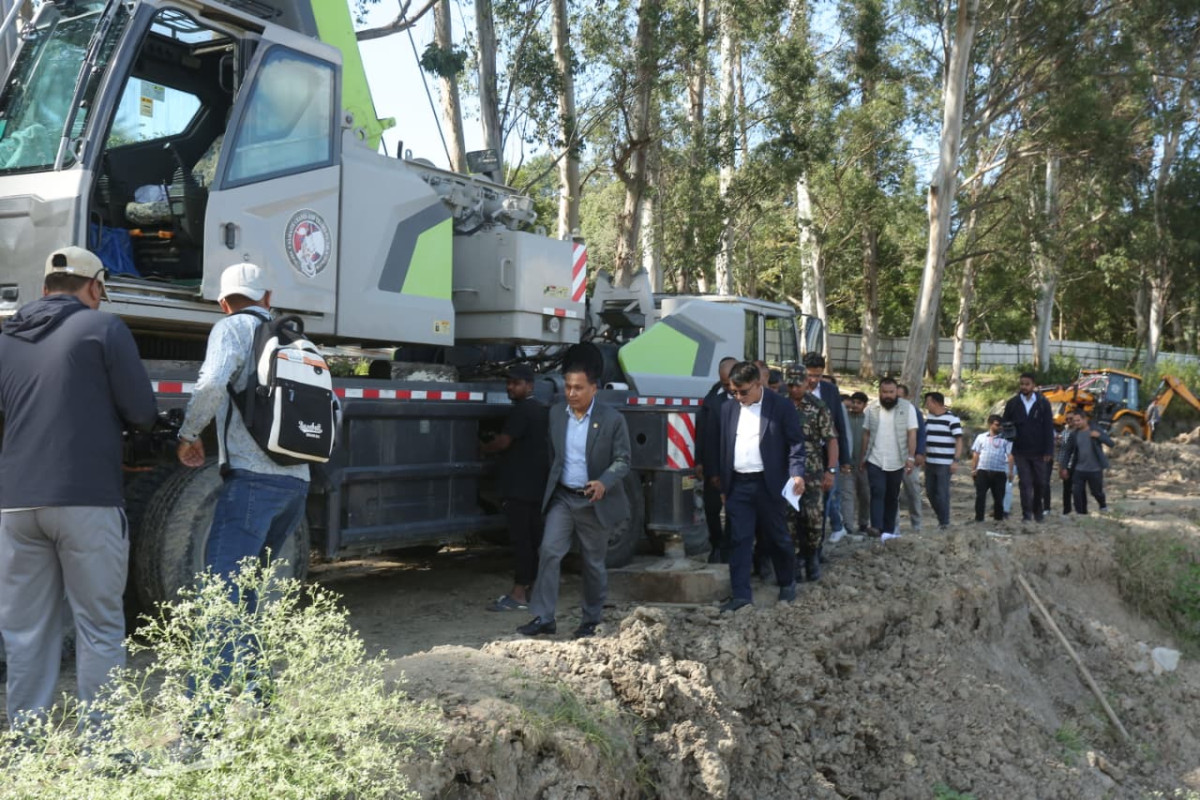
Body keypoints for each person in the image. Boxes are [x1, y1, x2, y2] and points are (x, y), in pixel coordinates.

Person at [0, 246, 157, 728]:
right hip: (86, 500)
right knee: (100, 627)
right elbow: (142, 413)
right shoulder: (104, 328)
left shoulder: (4, 339)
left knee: (26, 631)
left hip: (15, 505)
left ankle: (28, 744)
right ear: (94, 287)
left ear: (45, 289)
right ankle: (103, 747)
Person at [175, 263, 312, 694]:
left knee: (222, 594)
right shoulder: (297, 338)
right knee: (250, 593)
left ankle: (205, 713)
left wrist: (188, 433)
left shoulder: (231, 328)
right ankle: (258, 694)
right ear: (267, 297)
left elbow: (214, 382)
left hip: (252, 479)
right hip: (297, 482)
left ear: (222, 301)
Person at [517, 364, 631, 639]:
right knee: (549, 551)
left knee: (592, 562)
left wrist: (604, 481)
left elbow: (623, 459)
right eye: (568, 387)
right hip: (564, 497)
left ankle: (591, 619)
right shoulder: (557, 414)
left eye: (578, 387)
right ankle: (544, 617)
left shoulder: (612, 419)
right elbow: (552, 453)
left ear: (594, 388)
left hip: (594, 501)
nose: (571, 393)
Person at [718, 361, 805, 611]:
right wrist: (725, 486)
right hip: (739, 485)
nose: (738, 397)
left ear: (758, 384)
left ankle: (787, 582)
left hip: (770, 485)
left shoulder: (781, 407)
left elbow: (796, 445)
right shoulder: (728, 409)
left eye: (743, 392)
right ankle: (741, 595)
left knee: (778, 537)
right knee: (739, 539)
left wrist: (797, 475)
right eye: (734, 392)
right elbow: (724, 446)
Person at [481, 365, 549, 611]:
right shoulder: (541, 410)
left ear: (529, 385)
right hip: (536, 487)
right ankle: (533, 590)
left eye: (516, 383)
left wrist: (482, 447)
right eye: (508, 383)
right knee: (533, 540)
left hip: (518, 489)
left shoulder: (522, 410)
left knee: (521, 541)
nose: (510, 387)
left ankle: (518, 594)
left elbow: (503, 442)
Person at [801, 353, 852, 542]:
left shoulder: (830, 391)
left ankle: (817, 546)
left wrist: (844, 459)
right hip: (800, 456)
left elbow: (839, 425)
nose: (813, 380)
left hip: (827, 455)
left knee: (824, 502)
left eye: (818, 375)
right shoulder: (791, 389)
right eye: (809, 375)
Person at [860, 378, 918, 540]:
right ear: (879, 392)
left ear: (896, 392)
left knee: (892, 496)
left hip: (897, 460)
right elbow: (866, 434)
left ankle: (888, 531)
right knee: (877, 491)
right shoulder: (871, 408)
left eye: (891, 392)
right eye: (884, 392)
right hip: (875, 458)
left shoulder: (907, 408)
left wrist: (911, 457)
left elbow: (912, 433)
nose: (888, 396)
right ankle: (877, 527)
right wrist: (862, 457)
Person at [792, 374, 837, 582]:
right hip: (787, 472)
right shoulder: (781, 404)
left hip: (813, 471)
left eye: (798, 384)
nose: (794, 389)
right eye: (790, 384)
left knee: (814, 519)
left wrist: (831, 470)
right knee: (788, 521)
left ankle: (811, 558)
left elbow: (831, 440)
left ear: (806, 383)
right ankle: (792, 565)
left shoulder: (818, 406)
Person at [696, 357, 737, 562]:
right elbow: (703, 433)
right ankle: (716, 544)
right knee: (711, 509)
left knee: (734, 510)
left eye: (730, 382)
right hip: (714, 465)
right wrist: (701, 463)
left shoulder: (748, 399)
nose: (728, 387)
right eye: (724, 383)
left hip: (737, 467)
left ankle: (729, 547)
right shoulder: (712, 400)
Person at [1001, 373, 1055, 523]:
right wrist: (1009, 438)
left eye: (1027, 384)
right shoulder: (1013, 403)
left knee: (1041, 483)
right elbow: (1006, 424)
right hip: (1020, 451)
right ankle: (1027, 515)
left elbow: (1048, 427)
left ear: (1033, 385)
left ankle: (1038, 512)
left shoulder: (1043, 403)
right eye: (1022, 384)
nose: (1024, 387)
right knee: (1025, 483)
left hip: (1039, 451)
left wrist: (1049, 450)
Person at [922, 392, 963, 529]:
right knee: (930, 491)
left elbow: (959, 440)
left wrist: (955, 460)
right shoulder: (929, 418)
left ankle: (944, 522)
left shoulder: (952, 419)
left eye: (928, 402)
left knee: (942, 492)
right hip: (930, 461)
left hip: (944, 463)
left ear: (936, 402)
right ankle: (941, 518)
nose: (926, 405)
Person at [1060, 410, 1113, 515]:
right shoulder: (1074, 434)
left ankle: (1103, 505)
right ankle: (1080, 513)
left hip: (1095, 469)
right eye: (1074, 421)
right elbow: (1067, 452)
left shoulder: (1095, 430)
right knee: (1076, 491)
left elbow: (1111, 443)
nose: (1076, 423)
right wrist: (1064, 467)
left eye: (1078, 420)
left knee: (1096, 492)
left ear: (1085, 419)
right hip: (1079, 468)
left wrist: (1099, 436)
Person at [970, 415, 1014, 522]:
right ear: (990, 424)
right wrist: (973, 469)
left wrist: (1011, 471)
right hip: (983, 471)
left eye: (1001, 425)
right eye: (997, 424)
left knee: (999, 498)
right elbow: (976, 453)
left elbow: (1010, 455)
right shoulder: (981, 437)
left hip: (999, 472)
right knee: (980, 496)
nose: (999, 427)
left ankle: (998, 520)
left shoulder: (1006, 439)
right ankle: (979, 519)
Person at [895, 384, 925, 532]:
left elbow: (920, 434)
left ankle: (916, 523)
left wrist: (919, 453)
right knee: (892, 493)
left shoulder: (914, 411)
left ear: (907, 397)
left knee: (913, 491)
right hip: (891, 458)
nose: (897, 399)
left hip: (909, 458)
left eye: (900, 396)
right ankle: (894, 525)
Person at [841, 392, 870, 534]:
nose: (855, 405)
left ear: (865, 405)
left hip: (864, 465)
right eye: (854, 402)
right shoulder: (845, 418)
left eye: (859, 403)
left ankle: (863, 523)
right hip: (847, 464)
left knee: (865, 495)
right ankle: (848, 525)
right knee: (847, 495)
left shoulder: (868, 420)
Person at [1055, 424, 1076, 517]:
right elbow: (1063, 452)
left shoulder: (1081, 433)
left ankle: (1080, 511)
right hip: (1067, 465)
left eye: (1071, 419)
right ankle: (1066, 510)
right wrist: (1061, 466)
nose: (1069, 421)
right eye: (1067, 419)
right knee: (1067, 489)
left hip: (1078, 465)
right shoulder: (1064, 433)